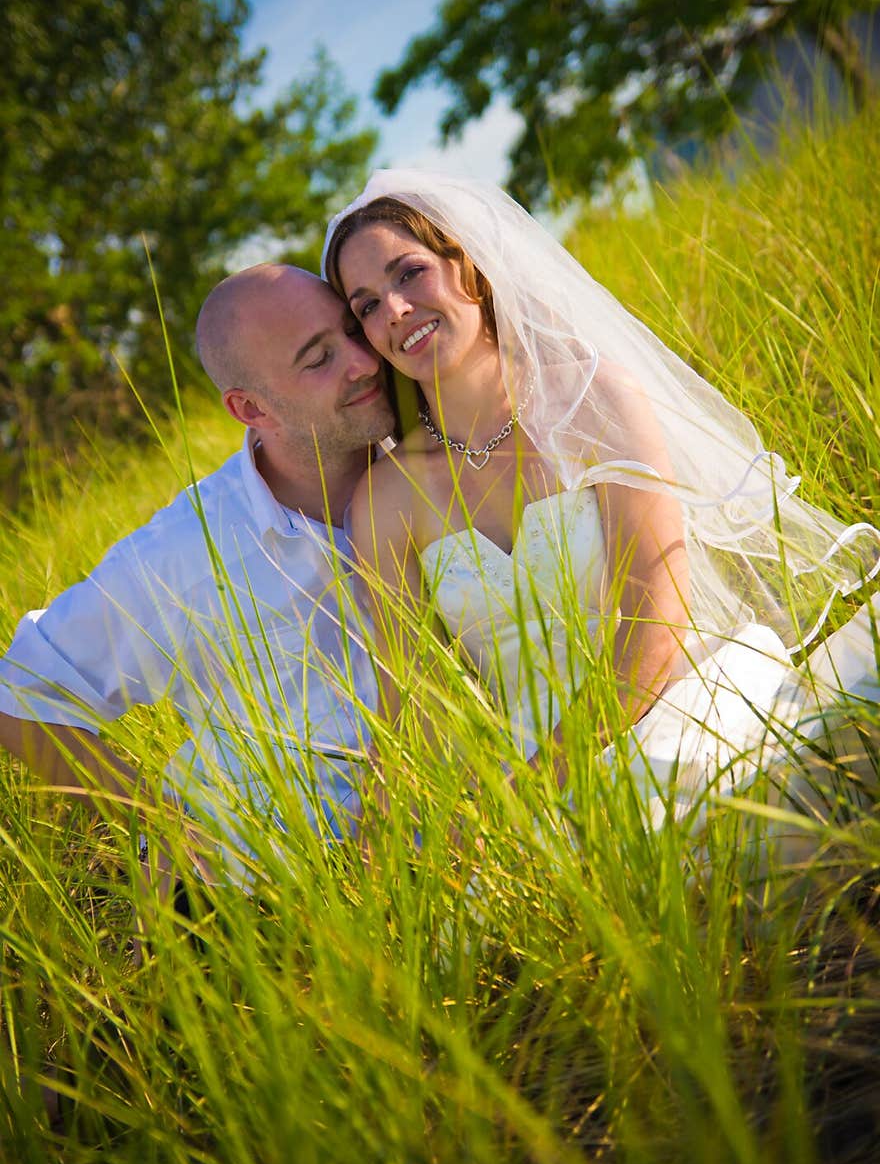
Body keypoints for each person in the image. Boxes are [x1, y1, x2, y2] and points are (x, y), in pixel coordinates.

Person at [322, 169, 880, 853]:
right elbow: (415, 706)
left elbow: (657, 621)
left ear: (468, 264)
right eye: (367, 306)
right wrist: (375, 858)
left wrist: (547, 781)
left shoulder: (594, 402)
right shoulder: (387, 501)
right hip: (517, 774)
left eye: (409, 273)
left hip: (669, 702)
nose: (396, 311)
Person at [0, 263, 396, 887]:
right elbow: (24, 694)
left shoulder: (440, 462)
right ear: (250, 408)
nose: (363, 362)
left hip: (446, 855)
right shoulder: (188, 549)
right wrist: (162, 832)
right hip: (265, 894)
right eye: (318, 359)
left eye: (352, 331)